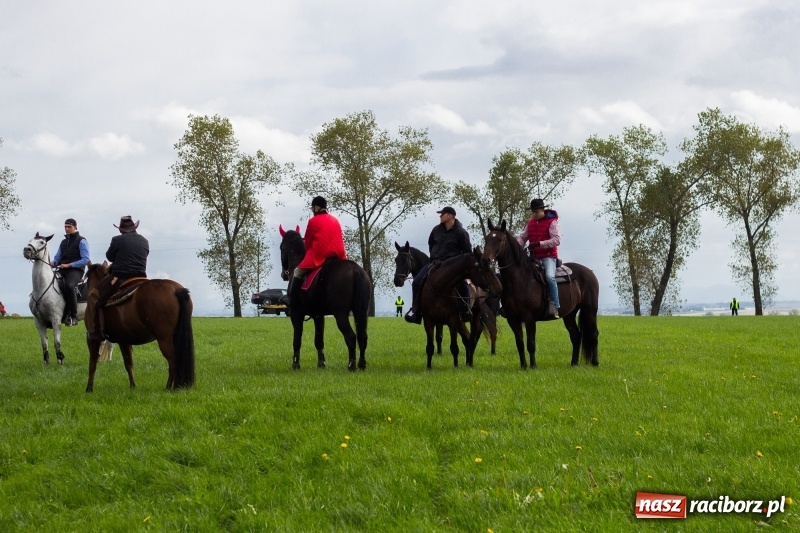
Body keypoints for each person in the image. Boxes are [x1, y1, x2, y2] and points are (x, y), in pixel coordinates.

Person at [404, 206, 472, 324]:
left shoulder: (461, 232)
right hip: (435, 263)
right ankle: (416, 311)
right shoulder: (436, 230)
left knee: (462, 284)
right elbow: (431, 244)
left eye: (442, 214)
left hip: (452, 266)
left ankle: (465, 310)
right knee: (416, 282)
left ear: (450, 216)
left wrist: (459, 266)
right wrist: (433, 256)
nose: (440, 216)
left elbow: (468, 252)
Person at [86, 216, 149, 339]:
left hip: (121, 277)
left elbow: (109, 257)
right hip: (141, 276)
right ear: (135, 227)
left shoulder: (117, 240)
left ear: (121, 230)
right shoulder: (144, 240)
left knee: (93, 296)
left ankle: (96, 331)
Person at [288, 196, 347, 312]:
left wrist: (307, 252)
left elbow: (308, 242)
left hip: (320, 254)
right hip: (339, 254)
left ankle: (291, 300)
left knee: (297, 272)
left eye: (313, 208)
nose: (312, 210)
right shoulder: (335, 220)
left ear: (317, 207)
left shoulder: (313, 221)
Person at [517, 198, 561, 318]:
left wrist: (539, 244)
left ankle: (555, 306)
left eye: (537, 212)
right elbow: (522, 237)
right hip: (534, 257)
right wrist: (516, 247)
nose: (535, 214)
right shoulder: (530, 223)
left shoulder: (552, 222)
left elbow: (557, 240)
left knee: (549, 277)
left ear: (543, 210)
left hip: (548, 257)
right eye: (533, 212)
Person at [52, 218, 91, 326]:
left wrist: (70, 265)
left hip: (76, 270)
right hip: (62, 269)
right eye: (65, 227)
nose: (67, 229)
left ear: (75, 227)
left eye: (69, 227)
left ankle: (73, 316)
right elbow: (57, 257)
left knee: (69, 286)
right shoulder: (63, 242)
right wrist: (54, 262)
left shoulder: (82, 241)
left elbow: (85, 259)